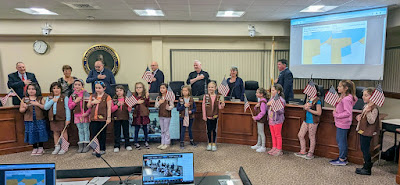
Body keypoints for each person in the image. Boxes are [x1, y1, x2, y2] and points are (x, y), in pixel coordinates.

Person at [330, 80, 357, 166]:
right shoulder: (346, 97)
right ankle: (342, 157)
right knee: (340, 140)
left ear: (346, 88)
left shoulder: (346, 99)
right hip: (341, 123)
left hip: (343, 123)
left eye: (340, 86)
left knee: (341, 141)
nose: (338, 88)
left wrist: (336, 115)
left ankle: (342, 159)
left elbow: (347, 112)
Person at [355, 87, 380, 175]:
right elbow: (364, 117)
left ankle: (367, 168)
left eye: (366, 95)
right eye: (363, 95)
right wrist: (359, 117)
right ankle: (365, 165)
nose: (363, 97)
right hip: (363, 130)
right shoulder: (366, 106)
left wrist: (368, 112)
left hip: (368, 132)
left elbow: (371, 120)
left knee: (365, 149)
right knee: (363, 148)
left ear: (372, 97)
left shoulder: (374, 109)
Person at [19, 83, 48, 156]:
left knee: (40, 133)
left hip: (39, 119)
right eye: (29, 89)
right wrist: (24, 107)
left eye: (33, 89)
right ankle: (35, 147)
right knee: (32, 133)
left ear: (36, 90)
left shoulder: (40, 98)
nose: (31, 91)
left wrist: (38, 104)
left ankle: (41, 147)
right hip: (29, 120)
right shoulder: (24, 99)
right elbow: (21, 110)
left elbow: (44, 107)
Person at [295, 85, 322, 160]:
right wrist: (305, 107)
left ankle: (311, 152)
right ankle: (303, 150)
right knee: (300, 135)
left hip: (313, 121)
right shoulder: (308, 99)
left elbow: (319, 112)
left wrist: (309, 109)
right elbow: (304, 107)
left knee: (311, 136)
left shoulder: (317, 100)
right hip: (306, 120)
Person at [44, 82, 71, 155]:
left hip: (62, 118)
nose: (56, 90)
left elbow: (67, 109)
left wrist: (68, 119)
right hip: (53, 118)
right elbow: (46, 107)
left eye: (58, 88)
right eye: (54, 88)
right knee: (55, 132)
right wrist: (52, 101)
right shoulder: (49, 98)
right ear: (51, 89)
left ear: (61, 89)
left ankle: (64, 147)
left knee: (63, 132)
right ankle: (57, 146)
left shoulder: (64, 97)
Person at [87, 81, 112, 155]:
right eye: (96, 88)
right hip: (93, 119)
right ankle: (95, 149)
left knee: (102, 134)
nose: (97, 89)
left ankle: (102, 148)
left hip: (102, 118)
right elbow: (88, 106)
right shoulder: (92, 96)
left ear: (104, 88)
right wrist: (92, 102)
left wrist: (108, 118)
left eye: (99, 88)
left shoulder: (107, 97)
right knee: (94, 134)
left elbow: (109, 108)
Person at [68, 79, 91, 153]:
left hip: (85, 115)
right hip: (77, 115)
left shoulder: (86, 94)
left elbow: (90, 106)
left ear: (82, 86)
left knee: (86, 129)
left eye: (79, 85)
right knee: (80, 130)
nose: (77, 86)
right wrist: (75, 101)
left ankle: (86, 144)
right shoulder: (73, 95)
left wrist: (87, 113)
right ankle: (81, 144)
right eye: (75, 85)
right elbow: (70, 106)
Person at [202, 82, 225, 151]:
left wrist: (222, 105)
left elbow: (219, 107)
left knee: (214, 130)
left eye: (212, 87)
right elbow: (203, 106)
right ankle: (209, 143)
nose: (210, 88)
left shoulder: (218, 97)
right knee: (208, 130)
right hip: (208, 116)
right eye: (209, 87)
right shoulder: (205, 96)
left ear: (215, 88)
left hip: (215, 116)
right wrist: (204, 116)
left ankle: (214, 143)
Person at [111, 85, 132, 152]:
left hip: (125, 117)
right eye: (117, 91)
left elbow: (129, 110)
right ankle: (117, 145)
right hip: (116, 118)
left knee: (126, 132)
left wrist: (129, 106)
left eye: (120, 90)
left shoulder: (127, 99)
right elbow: (111, 110)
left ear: (123, 91)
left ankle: (127, 144)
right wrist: (117, 105)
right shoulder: (114, 100)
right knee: (117, 132)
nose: (119, 92)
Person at [266, 84, 286, 156]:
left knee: (277, 135)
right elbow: (267, 107)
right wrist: (268, 104)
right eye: (271, 90)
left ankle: (279, 149)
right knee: (273, 135)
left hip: (277, 120)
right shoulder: (271, 98)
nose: (271, 91)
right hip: (271, 120)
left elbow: (281, 111)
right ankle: (274, 147)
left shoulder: (281, 100)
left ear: (278, 92)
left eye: (273, 90)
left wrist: (274, 106)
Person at [155, 83, 174, 150]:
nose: (162, 89)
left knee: (166, 129)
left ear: (166, 89)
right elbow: (156, 106)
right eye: (161, 88)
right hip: (161, 115)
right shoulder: (158, 97)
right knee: (162, 130)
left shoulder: (169, 97)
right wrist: (159, 102)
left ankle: (167, 143)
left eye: (163, 88)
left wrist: (169, 107)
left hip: (167, 115)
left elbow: (172, 105)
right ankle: (162, 143)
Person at [132, 82, 150, 150]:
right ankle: (136, 142)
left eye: (140, 87)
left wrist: (147, 97)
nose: (138, 89)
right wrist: (136, 102)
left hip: (144, 114)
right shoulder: (134, 96)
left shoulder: (145, 96)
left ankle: (146, 141)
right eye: (137, 87)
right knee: (137, 129)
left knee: (145, 128)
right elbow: (131, 105)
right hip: (137, 115)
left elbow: (147, 104)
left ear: (143, 88)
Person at [251, 88, 268, 153]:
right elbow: (257, 109)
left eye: (257, 93)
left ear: (261, 94)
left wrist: (256, 118)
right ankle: (258, 144)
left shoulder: (263, 102)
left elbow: (263, 112)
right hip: (259, 119)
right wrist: (256, 106)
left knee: (261, 132)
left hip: (261, 119)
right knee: (259, 132)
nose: (256, 94)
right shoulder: (260, 101)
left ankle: (263, 146)